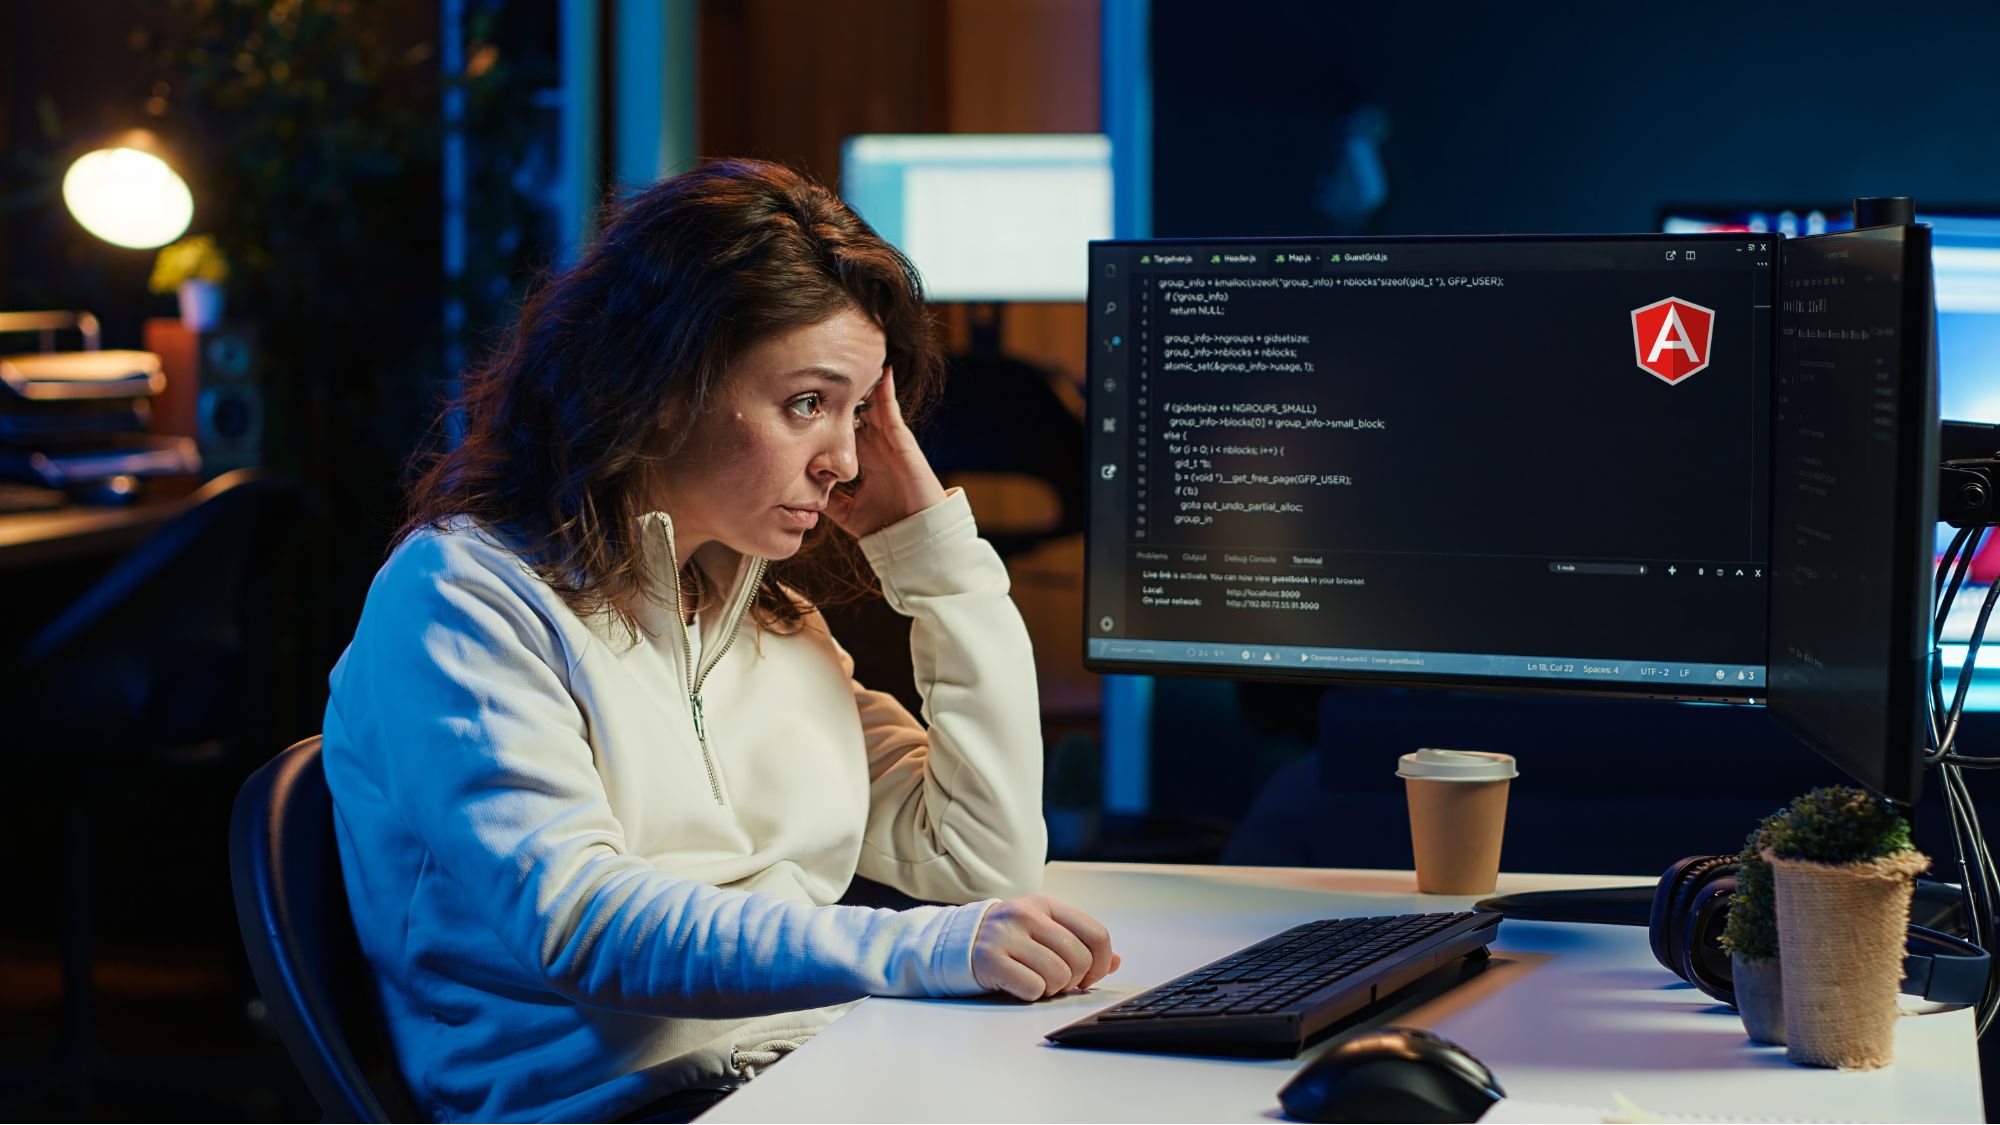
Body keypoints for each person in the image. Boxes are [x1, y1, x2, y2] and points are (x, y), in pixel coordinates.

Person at [321, 159, 1119, 1123]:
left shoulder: (756, 609)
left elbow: (978, 858)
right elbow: (579, 923)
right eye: (806, 404)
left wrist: (938, 561)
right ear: (660, 385)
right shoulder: (461, 598)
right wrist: (918, 950)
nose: (847, 461)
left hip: (814, 1066)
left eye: (860, 412)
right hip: (626, 1107)